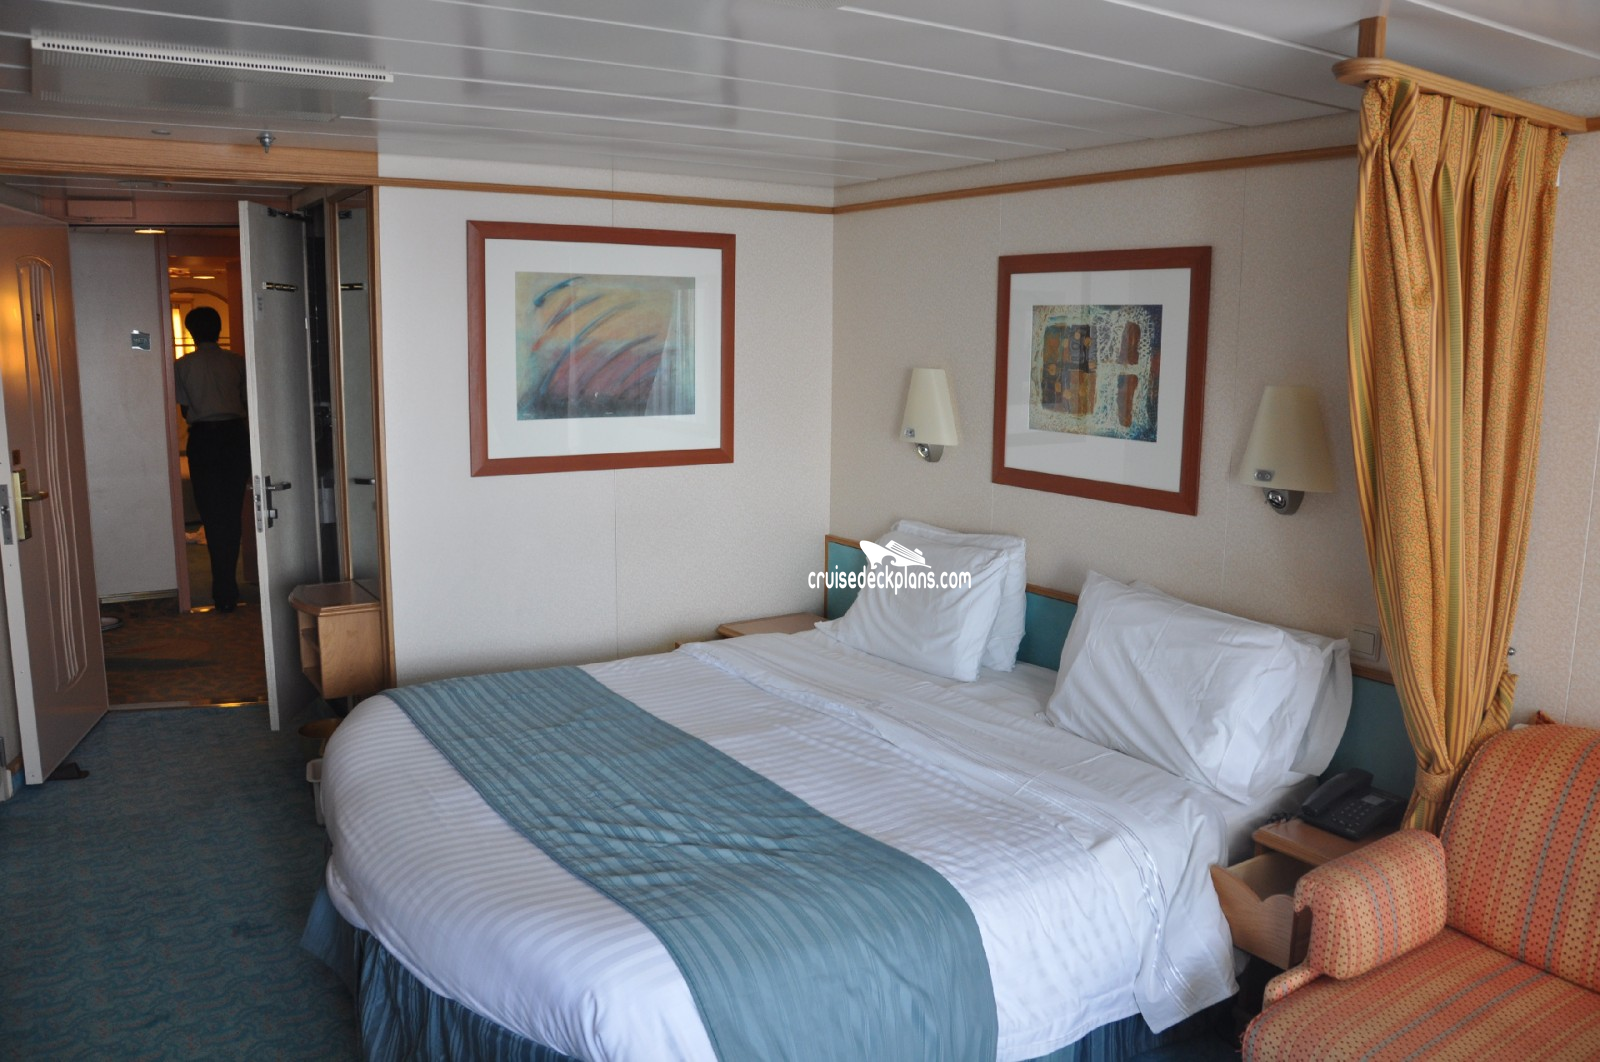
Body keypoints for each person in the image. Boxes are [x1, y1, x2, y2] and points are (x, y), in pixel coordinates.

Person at [174, 307, 251, 613]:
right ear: (218, 330)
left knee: (211, 512)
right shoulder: (237, 362)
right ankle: (227, 588)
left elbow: (185, 409)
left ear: (191, 332)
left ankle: (224, 588)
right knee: (232, 512)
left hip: (204, 440)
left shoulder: (183, 365)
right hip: (234, 437)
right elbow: (245, 401)